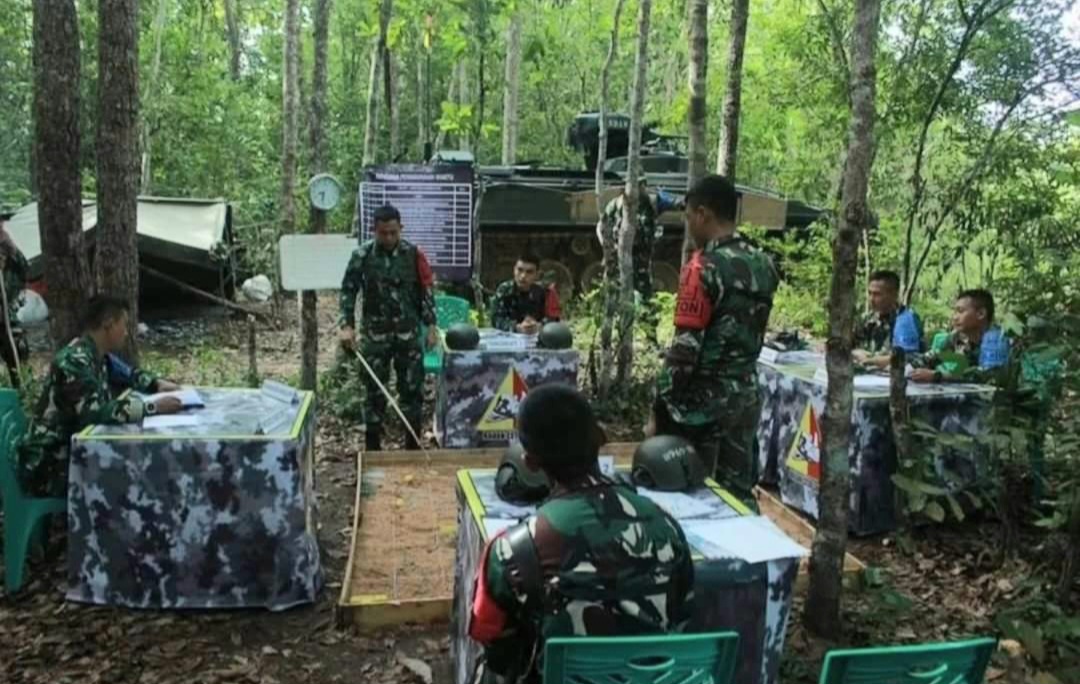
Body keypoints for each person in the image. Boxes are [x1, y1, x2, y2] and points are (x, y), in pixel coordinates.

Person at [468, 384, 694, 684]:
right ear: (600, 438)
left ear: (530, 462)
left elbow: (491, 639)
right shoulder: (665, 525)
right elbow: (684, 612)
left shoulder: (513, 549)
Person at [651, 174, 779, 507]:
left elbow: (685, 351)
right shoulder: (764, 263)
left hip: (703, 407)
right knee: (739, 494)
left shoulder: (702, 268)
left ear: (703, 214)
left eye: (689, 216)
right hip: (746, 395)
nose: (688, 225)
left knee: (695, 496)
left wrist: (661, 404)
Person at [15, 295, 182, 498]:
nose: (126, 333)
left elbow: (128, 374)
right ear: (108, 324)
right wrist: (152, 407)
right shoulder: (73, 361)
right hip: (49, 465)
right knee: (128, 475)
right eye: (124, 325)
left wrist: (156, 384)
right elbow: (93, 413)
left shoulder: (98, 355)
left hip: (72, 452)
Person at [338, 204, 438, 451]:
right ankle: (373, 450)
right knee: (374, 392)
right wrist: (346, 325)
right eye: (384, 233)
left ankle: (412, 449)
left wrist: (431, 326)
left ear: (401, 228)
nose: (389, 238)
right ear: (375, 231)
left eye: (394, 232)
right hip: (375, 336)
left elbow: (426, 290)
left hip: (408, 335)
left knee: (412, 391)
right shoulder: (362, 255)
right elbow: (348, 291)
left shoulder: (413, 254)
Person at [597, 179, 681, 346]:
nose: (637, 189)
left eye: (641, 185)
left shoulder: (652, 202)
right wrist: (608, 250)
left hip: (641, 264)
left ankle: (650, 340)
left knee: (645, 302)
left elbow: (677, 202)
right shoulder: (616, 205)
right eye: (633, 185)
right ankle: (610, 341)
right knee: (613, 301)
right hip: (619, 263)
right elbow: (602, 227)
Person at [910, 288, 1009, 384]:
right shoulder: (958, 338)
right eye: (955, 312)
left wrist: (938, 376)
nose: (954, 317)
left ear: (981, 314)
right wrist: (908, 368)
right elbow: (934, 357)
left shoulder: (997, 339)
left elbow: (987, 376)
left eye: (960, 311)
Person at [852, 269, 924, 368]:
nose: (871, 299)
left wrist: (870, 360)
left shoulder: (905, 320)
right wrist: (855, 353)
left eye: (877, 294)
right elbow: (844, 345)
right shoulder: (868, 319)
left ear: (893, 295)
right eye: (870, 293)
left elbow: (908, 358)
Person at [489, 253, 561, 334]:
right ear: (514, 270)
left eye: (529, 272)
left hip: (537, 335)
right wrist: (516, 327)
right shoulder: (505, 290)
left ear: (537, 275)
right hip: (510, 337)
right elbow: (496, 319)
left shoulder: (543, 292)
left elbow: (554, 318)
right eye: (520, 270)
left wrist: (540, 325)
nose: (523, 276)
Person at [0, 218, 29, 387]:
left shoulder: (8, 250)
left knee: (18, 351)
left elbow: (24, 269)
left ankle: (21, 392)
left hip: (7, 319)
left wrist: (11, 248)